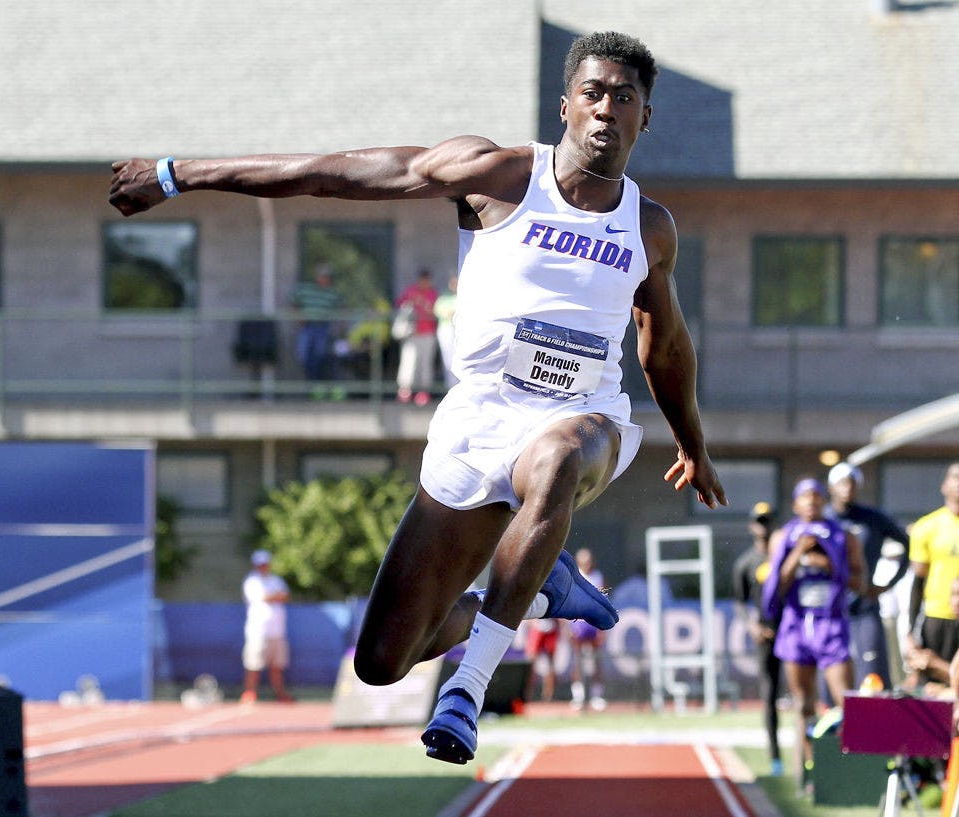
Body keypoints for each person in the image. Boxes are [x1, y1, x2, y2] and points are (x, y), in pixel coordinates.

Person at [109, 30, 726, 764]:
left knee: (559, 457)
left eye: (624, 98)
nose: (606, 111)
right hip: (480, 422)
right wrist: (178, 174)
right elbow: (330, 175)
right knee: (382, 659)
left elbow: (666, 347)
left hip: (585, 421)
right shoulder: (496, 175)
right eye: (592, 94)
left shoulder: (648, 226)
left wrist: (691, 441)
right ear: (565, 107)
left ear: (643, 118)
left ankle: (466, 692)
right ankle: (530, 589)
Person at [762, 479, 865, 794]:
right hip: (796, 627)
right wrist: (798, 555)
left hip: (831, 625)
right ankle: (808, 774)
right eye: (805, 497)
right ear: (795, 504)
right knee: (803, 703)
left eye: (817, 497)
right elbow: (775, 586)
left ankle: (850, 775)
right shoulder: (783, 536)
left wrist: (832, 566)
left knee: (845, 701)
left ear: (825, 501)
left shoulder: (843, 535)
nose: (811, 502)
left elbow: (859, 580)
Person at [825, 461, 910, 687]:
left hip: (865, 604)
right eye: (842, 483)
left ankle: (874, 721)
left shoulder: (872, 518)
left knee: (873, 674)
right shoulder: (823, 520)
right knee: (831, 675)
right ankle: (831, 721)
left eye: (852, 483)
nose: (848, 488)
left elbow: (908, 546)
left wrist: (887, 584)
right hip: (830, 608)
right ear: (831, 487)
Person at [731, 501, 783, 776]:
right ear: (752, 526)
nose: (763, 527)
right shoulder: (746, 563)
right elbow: (740, 602)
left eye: (768, 521)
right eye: (759, 521)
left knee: (802, 696)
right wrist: (752, 625)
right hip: (766, 635)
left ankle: (809, 755)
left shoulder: (784, 557)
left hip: (791, 631)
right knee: (770, 695)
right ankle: (776, 758)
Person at [906, 462, 959, 689]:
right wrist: (909, 630)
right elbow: (917, 581)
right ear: (944, 485)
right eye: (956, 477)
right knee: (934, 688)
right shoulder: (927, 526)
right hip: (937, 618)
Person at [240, 549, 293, 703]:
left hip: (277, 631)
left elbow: (284, 596)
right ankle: (249, 693)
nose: (263, 566)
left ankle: (280, 693)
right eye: (260, 564)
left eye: (265, 564)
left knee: (277, 666)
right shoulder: (251, 581)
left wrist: (272, 596)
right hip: (258, 631)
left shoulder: (276, 580)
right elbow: (264, 597)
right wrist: (274, 596)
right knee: (254, 664)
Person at [567, 547, 609, 711]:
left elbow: (605, 602)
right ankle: (578, 696)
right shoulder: (574, 578)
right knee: (578, 660)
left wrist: (602, 628)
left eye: (589, 560)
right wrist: (568, 625)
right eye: (584, 560)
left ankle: (597, 695)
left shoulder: (599, 577)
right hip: (578, 623)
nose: (587, 563)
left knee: (597, 660)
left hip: (595, 622)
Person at [291, 265, 342, 386]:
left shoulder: (332, 293)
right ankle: (311, 383)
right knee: (303, 355)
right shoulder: (306, 289)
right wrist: (299, 317)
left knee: (320, 354)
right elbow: (294, 302)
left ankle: (316, 384)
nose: (324, 279)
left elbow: (342, 309)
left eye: (326, 277)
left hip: (323, 326)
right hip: (307, 326)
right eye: (322, 276)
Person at [395, 269, 439, 406]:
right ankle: (405, 391)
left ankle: (423, 392)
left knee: (425, 364)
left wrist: (421, 302)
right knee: (408, 363)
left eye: (427, 280)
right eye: (422, 279)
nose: (424, 282)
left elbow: (434, 311)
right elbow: (399, 304)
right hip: (412, 334)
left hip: (427, 333)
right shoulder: (410, 290)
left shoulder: (433, 293)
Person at [523, 618, 561, 703]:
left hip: (550, 624)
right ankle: (527, 695)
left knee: (550, 665)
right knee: (530, 664)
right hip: (538, 624)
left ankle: (548, 696)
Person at [434, 275, 460, 390]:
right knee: (448, 359)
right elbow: (438, 311)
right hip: (447, 330)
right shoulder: (444, 297)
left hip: (461, 330)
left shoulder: (465, 296)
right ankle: (450, 387)